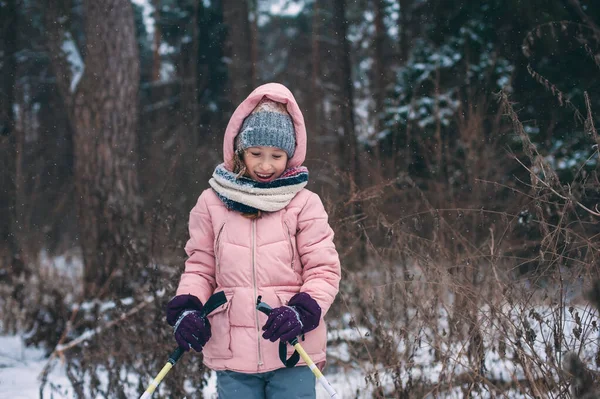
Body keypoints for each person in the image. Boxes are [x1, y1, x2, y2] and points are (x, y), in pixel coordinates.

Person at [165, 82, 342, 398]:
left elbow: (323, 270)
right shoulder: (211, 203)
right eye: (256, 153)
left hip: (292, 350)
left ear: (289, 155)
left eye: (276, 155)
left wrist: (300, 312)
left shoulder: (305, 204)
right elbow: (200, 268)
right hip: (234, 356)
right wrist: (187, 309)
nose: (265, 165)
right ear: (239, 151)